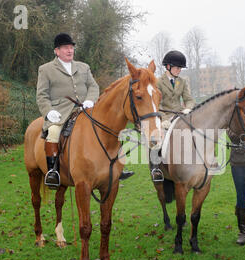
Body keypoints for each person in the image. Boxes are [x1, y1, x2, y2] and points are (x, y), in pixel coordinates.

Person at [37, 33, 133, 188]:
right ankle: (52, 171)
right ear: (57, 51)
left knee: (110, 130)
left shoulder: (83, 67)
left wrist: (90, 99)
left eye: (71, 47)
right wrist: (48, 111)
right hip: (60, 112)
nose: (69, 50)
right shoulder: (46, 69)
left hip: (85, 109)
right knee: (54, 132)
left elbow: (93, 86)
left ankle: (115, 167)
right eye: (65, 48)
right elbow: (41, 95)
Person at [152, 50, 196, 181]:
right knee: (156, 138)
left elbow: (189, 99)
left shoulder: (181, 82)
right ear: (168, 67)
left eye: (180, 68)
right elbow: (154, 104)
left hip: (180, 116)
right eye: (177, 68)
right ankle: (156, 168)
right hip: (163, 116)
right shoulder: (158, 82)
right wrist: (163, 119)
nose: (179, 70)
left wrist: (188, 108)